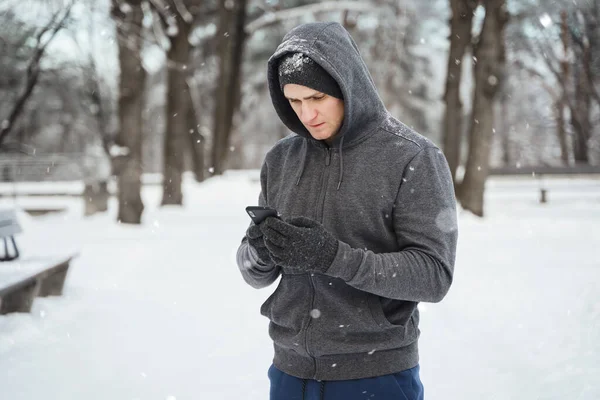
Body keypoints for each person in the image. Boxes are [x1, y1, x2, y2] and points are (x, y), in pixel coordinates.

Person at [236, 21, 458, 400]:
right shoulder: (281, 160)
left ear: (346, 86)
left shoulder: (412, 157)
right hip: (290, 373)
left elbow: (434, 276)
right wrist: (259, 250)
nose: (307, 114)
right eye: (294, 102)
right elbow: (253, 274)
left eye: (317, 98)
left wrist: (334, 257)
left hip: (375, 375)